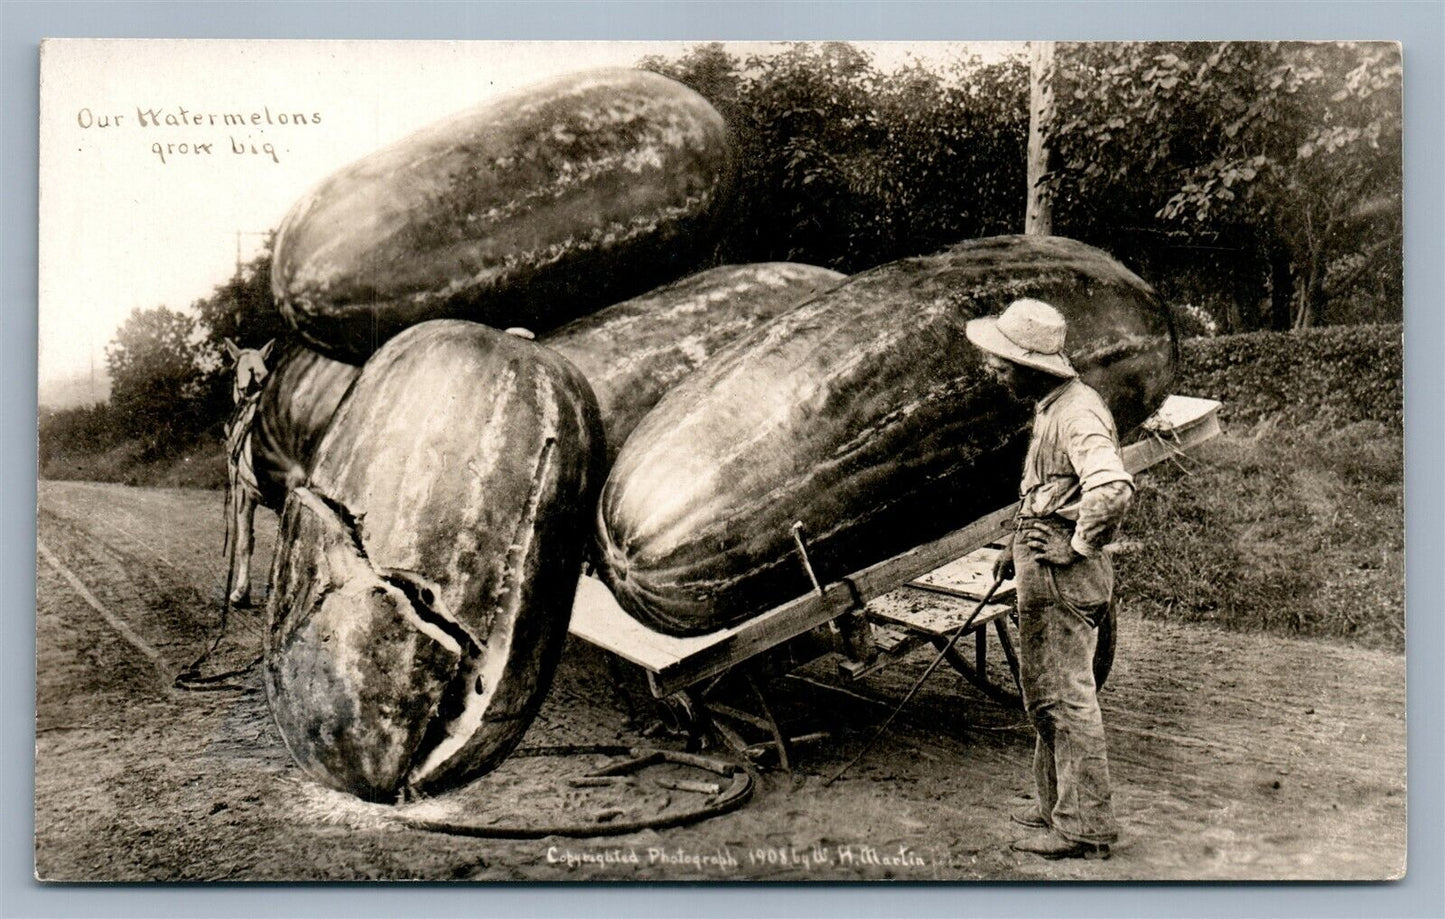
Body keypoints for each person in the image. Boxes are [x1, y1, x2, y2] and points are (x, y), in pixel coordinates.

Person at [965, 297, 1135, 860]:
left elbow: (1112, 489)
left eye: (1002, 364)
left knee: (1066, 698)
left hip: (1065, 577)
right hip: (1042, 567)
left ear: (1030, 366)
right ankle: (1056, 805)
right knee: (1046, 696)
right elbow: (1049, 489)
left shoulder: (1078, 413)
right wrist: (1015, 547)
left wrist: (1075, 545)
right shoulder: (1051, 405)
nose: (995, 372)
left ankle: (1084, 827)